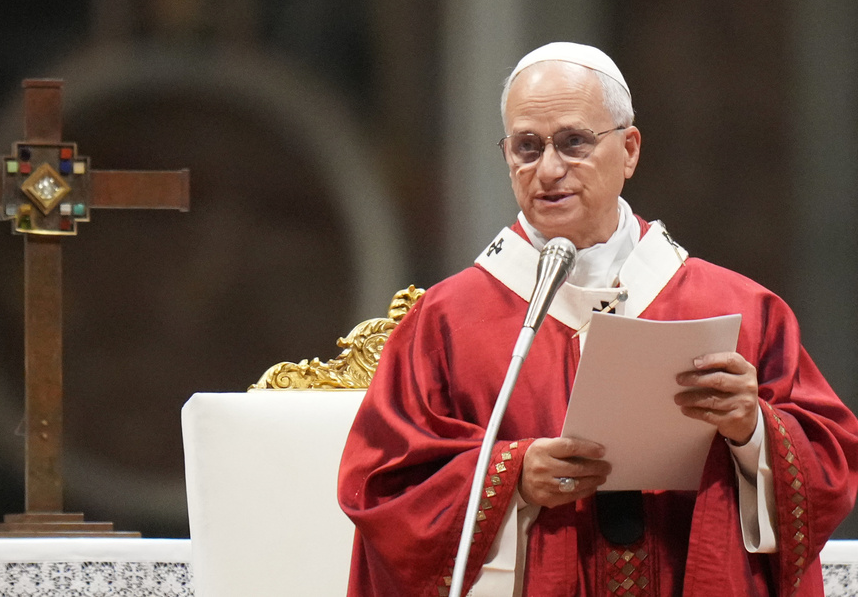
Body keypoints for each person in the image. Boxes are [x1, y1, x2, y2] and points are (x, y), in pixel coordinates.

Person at [337, 42, 858, 596]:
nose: (550, 170)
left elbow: (829, 465)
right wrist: (512, 478)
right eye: (527, 147)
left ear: (629, 150)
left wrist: (751, 429)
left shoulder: (740, 309)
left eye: (574, 142)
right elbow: (382, 492)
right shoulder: (446, 324)